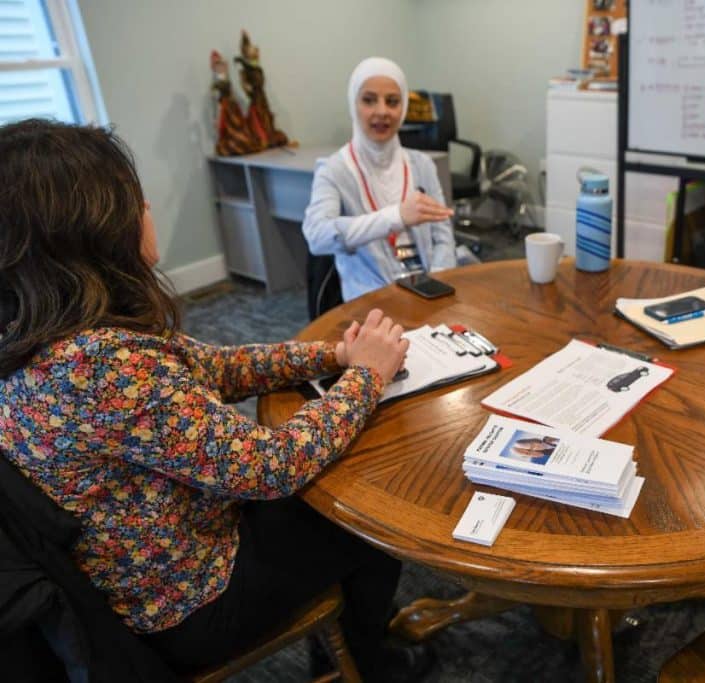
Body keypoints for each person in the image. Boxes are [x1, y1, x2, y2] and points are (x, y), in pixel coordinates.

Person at [0, 119, 430, 681]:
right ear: (93, 231)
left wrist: (333, 357)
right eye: (134, 198)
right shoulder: (102, 366)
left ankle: (346, 649)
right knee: (368, 511)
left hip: (146, 563)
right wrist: (367, 377)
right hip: (188, 602)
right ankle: (366, 663)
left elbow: (217, 366)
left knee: (338, 488)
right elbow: (270, 467)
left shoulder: (55, 333)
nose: (148, 205)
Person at [303, 57, 456, 301]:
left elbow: (443, 236)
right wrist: (395, 216)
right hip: (372, 297)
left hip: (429, 288)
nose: (382, 111)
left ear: (403, 107)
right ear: (354, 104)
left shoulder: (422, 165)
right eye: (369, 100)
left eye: (393, 102)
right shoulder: (334, 170)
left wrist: (439, 280)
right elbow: (317, 236)